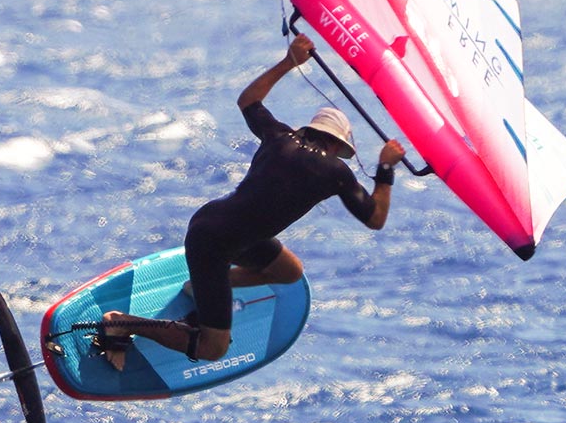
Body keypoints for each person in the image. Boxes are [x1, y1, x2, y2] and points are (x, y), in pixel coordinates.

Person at [100, 33, 406, 369]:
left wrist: (290, 62)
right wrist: (386, 169)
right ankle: (122, 323)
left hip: (216, 222)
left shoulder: (279, 136)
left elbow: (248, 100)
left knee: (290, 271)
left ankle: (202, 289)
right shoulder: (335, 172)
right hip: (213, 244)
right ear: (336, 146)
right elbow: (375, 218)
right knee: (213, 348)